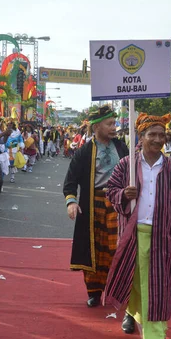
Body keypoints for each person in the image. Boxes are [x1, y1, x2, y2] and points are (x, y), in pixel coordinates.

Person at [104, 112, 171, 339]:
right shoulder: (127, 165)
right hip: (132, 235)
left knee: (157, 287)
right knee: (134, 280)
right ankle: (131, 312)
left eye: (162, 135)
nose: (158, 139)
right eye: (152, 134)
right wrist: (124, 194)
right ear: (140, 137)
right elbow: (111, 192)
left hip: (161, 236)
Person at [63, 105, 129, 308]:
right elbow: (70, 181)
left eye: (114, 123)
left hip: (118, 203)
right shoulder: (84, 152)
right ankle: (94, 292)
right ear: (96, 126)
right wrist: (72, 201)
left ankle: (117, 290)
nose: (114, 127)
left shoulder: (121, 147)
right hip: (93, 205)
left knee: (116, 249)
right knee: (94, 251)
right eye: (109, 124)